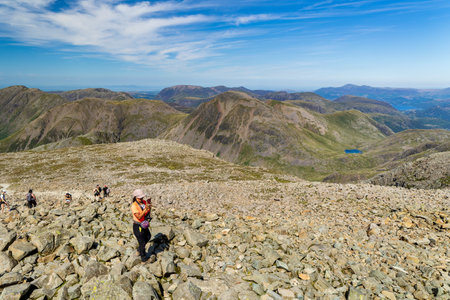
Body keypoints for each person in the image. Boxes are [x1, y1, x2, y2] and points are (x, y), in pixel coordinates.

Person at [131, 189, 155, 263]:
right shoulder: (134, 205)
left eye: (142, 197)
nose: (142, 199)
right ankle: (143, 258)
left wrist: (149, 206)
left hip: (144, 224)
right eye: (140, 198)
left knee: (148, 236)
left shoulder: (144, 202)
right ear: (135, 197)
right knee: (142, 242)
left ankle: (139, 250)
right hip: (137, 226)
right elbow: (139, 217)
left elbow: (147, 212)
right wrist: (145, 209)